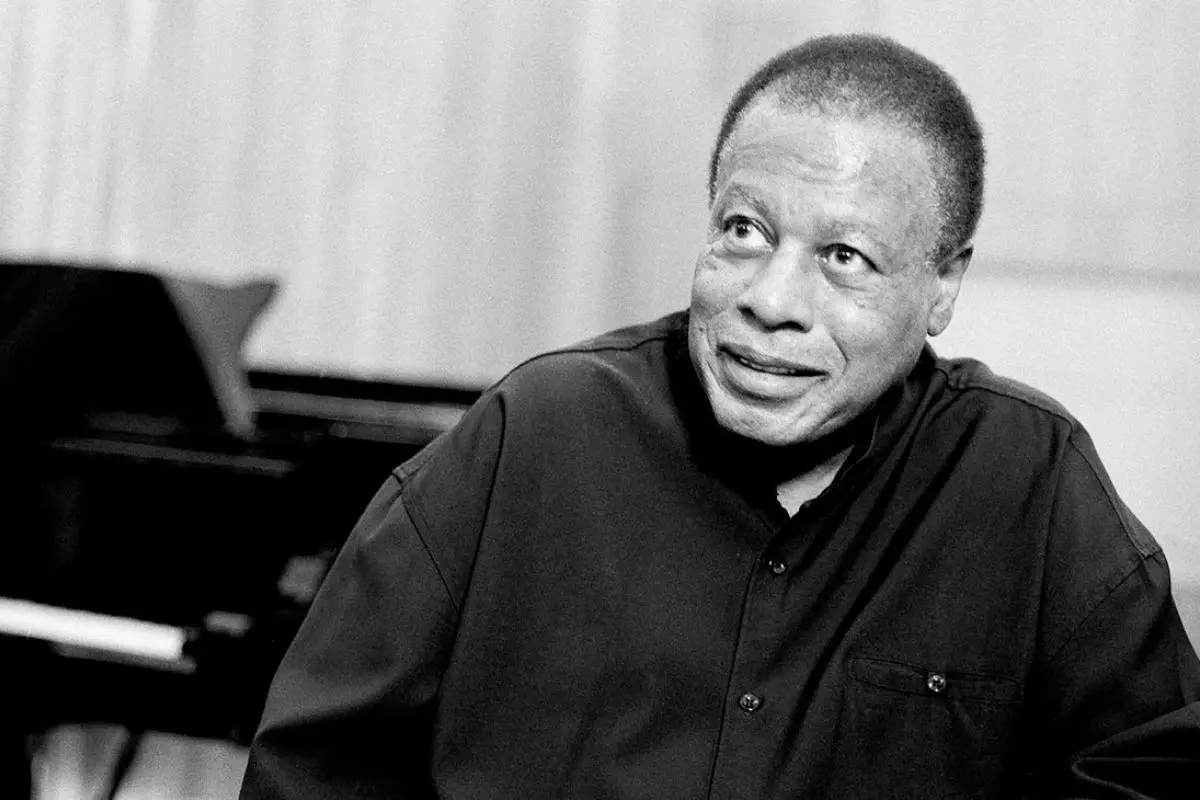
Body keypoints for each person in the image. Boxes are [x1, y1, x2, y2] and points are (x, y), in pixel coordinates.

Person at [240, 34, 1200, 799]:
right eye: (745, 233)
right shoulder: (533, 434)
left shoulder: (1024, 476)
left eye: (844, 258)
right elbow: (315, 768)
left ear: (942, 285)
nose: (771, 298)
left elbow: (1153, 772)